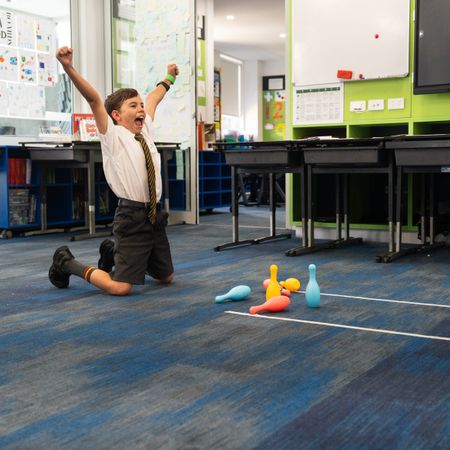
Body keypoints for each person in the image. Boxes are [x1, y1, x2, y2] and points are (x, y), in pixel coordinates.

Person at [48, 46, 178, 295]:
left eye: (140, 105)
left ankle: (112, 252)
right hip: (131, 216)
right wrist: (68, 67)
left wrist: (169, 77)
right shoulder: (112, 136)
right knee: (120, 287)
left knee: (166, 277)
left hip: (154, 215)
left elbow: (154, 98)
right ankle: (66, 262)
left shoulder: (145, 130)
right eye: (133, 105)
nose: (141, 109)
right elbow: (94, 100)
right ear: (117, 115)